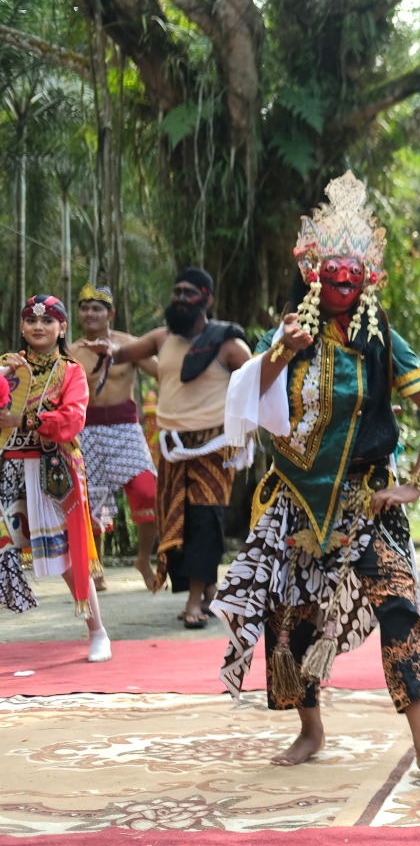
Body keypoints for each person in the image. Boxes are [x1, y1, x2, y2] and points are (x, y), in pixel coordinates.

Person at [212, 172, 420, 769]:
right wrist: (283, 350)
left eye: (353, 273)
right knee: (292, 618)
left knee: (398, 603)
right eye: (333, 272)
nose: (342, 282)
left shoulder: (383, 341)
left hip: (367, 500)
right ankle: (310, 730)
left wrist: (414, 486)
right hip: (296, 500)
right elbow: (251, 396)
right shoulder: (288, 335)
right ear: (314, 274)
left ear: (367, 277)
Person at [87, 269, 249, 627]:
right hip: (173, 447)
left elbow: (256, 384)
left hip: (214, 447)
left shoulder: (229, 345)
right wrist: (107, 350)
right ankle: (208, 589)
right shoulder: (162, 338)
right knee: (179, 521)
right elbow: (123, 352)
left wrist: (248, 432)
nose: (180, 298)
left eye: (189, 292)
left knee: (205, 520)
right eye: (177, 291)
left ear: (207, 299)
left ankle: (194, 602)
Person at [0, 295, 112, 662]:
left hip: (53, 471)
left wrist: (25, 421)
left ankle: (98, 631)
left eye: (47, 320)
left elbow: (73, 419)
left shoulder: (70, 371)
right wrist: (3, 376)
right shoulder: (7, 366)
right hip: (9, 468)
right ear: (22, 327)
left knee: (67, 556)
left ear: (62, 328)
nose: (38, 326)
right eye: (31, 320)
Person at [68, 285, 160, 591]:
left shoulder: (130, 345)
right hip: (86, 431)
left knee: (147, 490)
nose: (89, 313)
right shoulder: (71, 352)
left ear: (111, 314)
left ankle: (143, 559)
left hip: (126, 429)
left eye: (97, 308)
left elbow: (163, 373)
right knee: (92, 501)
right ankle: (96, 569)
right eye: (84, 308)